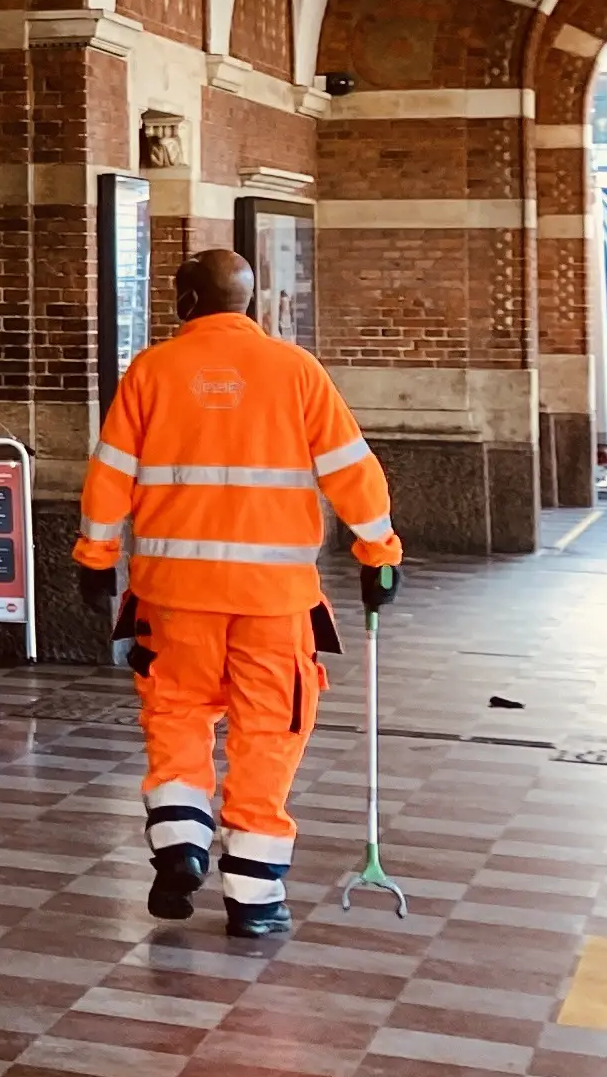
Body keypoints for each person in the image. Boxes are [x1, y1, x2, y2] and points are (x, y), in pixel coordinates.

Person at [72, 245, 404, 938]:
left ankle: (181, 837)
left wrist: (96, 557)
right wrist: (380, 554)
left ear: (186, 302)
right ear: (246, 301)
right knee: (268, 731)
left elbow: (110, 474)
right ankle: (254, 898)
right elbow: (353, 472)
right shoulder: (296, 372)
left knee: (176, 713)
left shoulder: (150, 371)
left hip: (172, 594)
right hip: (274, 600)